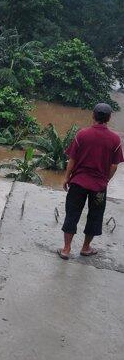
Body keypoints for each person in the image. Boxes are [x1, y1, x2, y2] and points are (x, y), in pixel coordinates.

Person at [58, 103, 123, 260]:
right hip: (99, 186)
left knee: (72, 213)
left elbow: (72, 159)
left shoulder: (82, 134)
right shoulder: (115, 139)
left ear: (93, 115)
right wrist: (105, 180)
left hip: (78, 182)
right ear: (109, 118)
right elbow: (114, 165)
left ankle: (66, 249)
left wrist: (67, 177)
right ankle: (86, 248)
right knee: (95, 216)